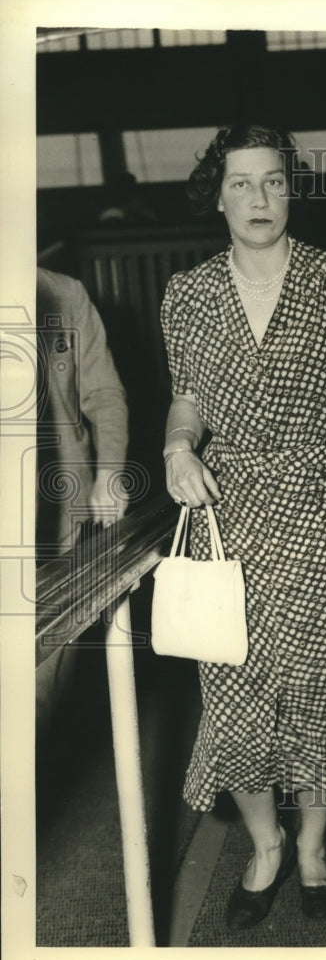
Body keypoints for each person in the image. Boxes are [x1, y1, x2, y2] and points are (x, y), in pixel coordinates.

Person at [160, 124, 326, 929]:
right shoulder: (188, 294)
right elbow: (189, 399)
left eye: (272, 181)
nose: (259, 200)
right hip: (230, 520)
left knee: (317, 694)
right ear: (217, 193)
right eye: (241, 183)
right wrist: (175, 445)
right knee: (234, 692)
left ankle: (312, 845)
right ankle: (264, 843)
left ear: (292, 188)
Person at [36, 267, 129, 723]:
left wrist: (109, 470)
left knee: (44, 672)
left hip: (58, 505)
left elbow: (105, 393)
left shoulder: (64, 293)